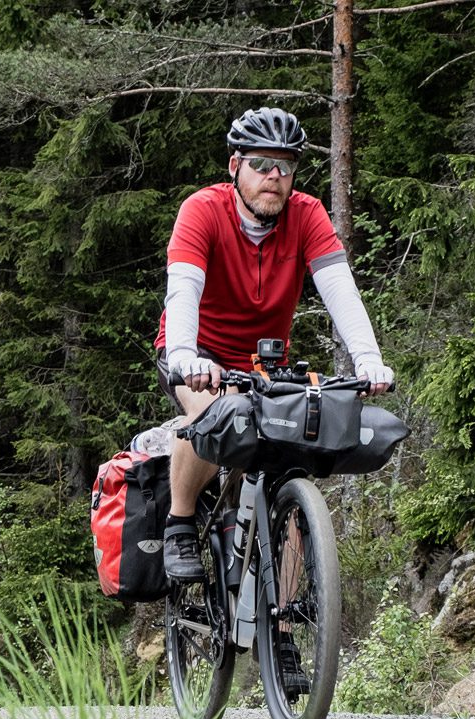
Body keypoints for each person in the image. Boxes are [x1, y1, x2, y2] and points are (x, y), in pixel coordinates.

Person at [155, 106, 396, 583]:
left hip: (264, 365)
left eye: (284, 166)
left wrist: (368, 359)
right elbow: (183, 288)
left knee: (286, 469)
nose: (273, 176)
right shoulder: (202, 210)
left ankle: (283, 626)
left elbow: (341, 291)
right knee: (211, 413)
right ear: (235, 167)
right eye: (261, 164)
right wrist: (186, 357)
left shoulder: (307, 216)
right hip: (196, 354)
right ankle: (180, 523)